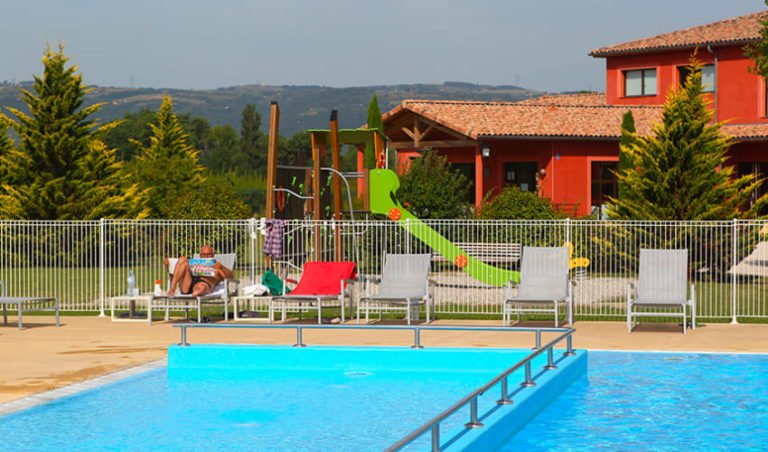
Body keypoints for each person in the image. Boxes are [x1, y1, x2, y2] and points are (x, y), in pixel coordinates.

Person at [166, 245, 234, 297]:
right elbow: (177, 271)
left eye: (208, 255)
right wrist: (169, 265)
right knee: (182, 259)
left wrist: (221, 267)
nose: (206, 257)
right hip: (188, 282)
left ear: (213, 255)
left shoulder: (217, 266)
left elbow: (231, 276)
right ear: (200, 255)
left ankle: (196, 293)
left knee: (201, 286)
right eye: (203, 255)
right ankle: (172, 288)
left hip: (204, 282)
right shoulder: (194, 263)